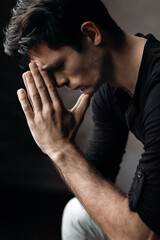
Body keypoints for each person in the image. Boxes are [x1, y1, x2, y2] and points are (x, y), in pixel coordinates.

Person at [3, 0, 160, 239]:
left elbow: (140, 235)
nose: (57, 82)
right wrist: (60, 144)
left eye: (59, 66)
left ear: (91, 33)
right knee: (77, 213)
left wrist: (60, 149)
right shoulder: (109, 91)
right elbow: (93, 186)